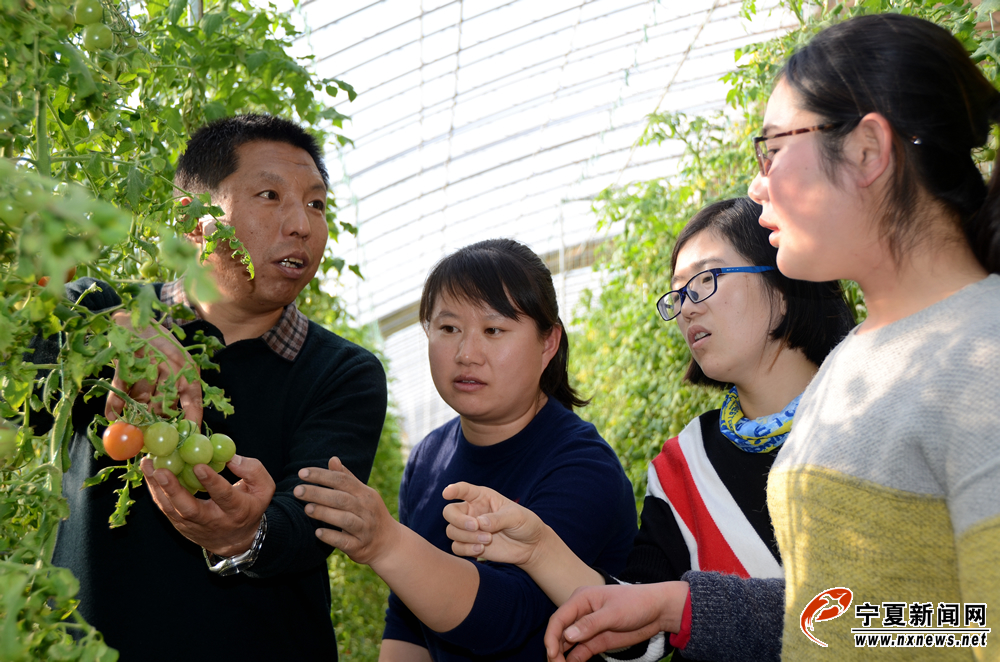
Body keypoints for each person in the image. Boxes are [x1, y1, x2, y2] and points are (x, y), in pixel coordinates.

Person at [532, 13, 1000, 661]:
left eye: (775, 149)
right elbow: (846, 613)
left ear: (867, 151)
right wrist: (678, 604)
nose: (758, 184)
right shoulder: (855, 364)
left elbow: (977, 627)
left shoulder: (982, 355)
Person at [442, 198, 854, 661]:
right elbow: (644, 623)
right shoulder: (686, 462)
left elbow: (933, 622)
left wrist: (686, 608)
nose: (686, 309)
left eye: (705, 280)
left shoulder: (867, 414)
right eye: (678, 295)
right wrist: (538, 550)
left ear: (780, 283)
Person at [47, 114, 387, 660]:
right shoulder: (102, 315)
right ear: (193, 221)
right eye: (270, 195)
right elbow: (21, 351)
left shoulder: (342, 372)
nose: (301, 223)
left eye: (317, 204)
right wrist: (102, 332)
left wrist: (247, 536)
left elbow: (311, 519)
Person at [293, 238, 638, 661]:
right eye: (448, 328)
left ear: (548, 344)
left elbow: (510, 615)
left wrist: (386, 544)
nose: (466, 353)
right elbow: (408, 621)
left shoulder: (581, 466)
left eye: (494, 330)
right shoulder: (427, 458)